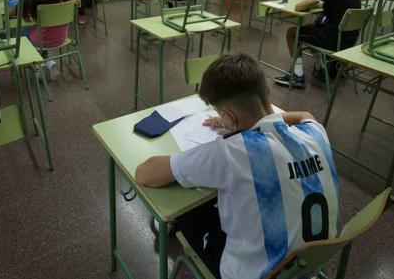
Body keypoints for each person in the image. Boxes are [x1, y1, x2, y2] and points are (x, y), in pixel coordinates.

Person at [135, 53, 340, 279]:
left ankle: (174, 226)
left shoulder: (232, 151)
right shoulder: (314, 131)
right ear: (266, 93)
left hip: (257, 274)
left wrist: (234, 125)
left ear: (228, 116)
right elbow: (306, 115)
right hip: (309, 264)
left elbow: (145, 173)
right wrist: (242, 122)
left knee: (189, 209)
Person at [275, 0, 361, 89]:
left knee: (292, 32)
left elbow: (299, 7)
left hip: (334, 40)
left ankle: (297, 76)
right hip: (350, 39)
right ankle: (321, 68)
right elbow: (332, 3)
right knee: (312, 30)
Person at [23, 0, 81, 79]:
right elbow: (78, 1)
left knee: (22, 32)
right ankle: (46, 61)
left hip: (41, 40)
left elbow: (15, 13)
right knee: (36, 30)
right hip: (62, 38)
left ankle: (39, 63)